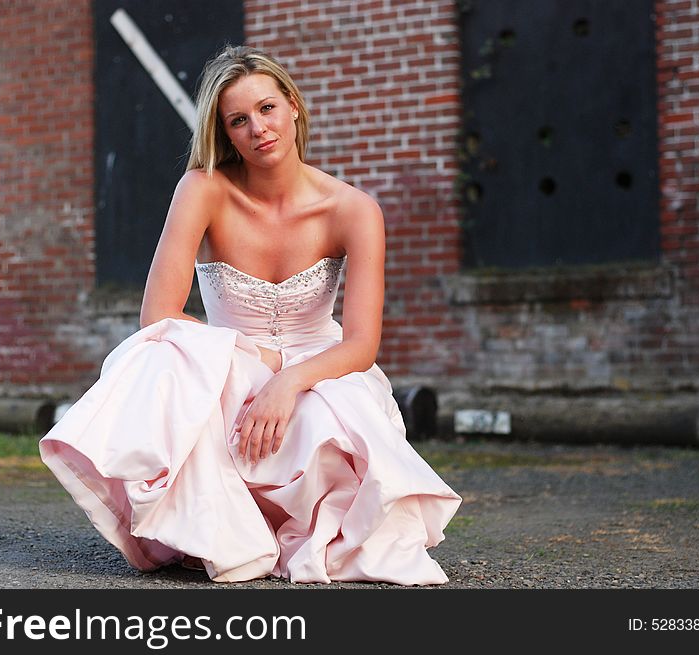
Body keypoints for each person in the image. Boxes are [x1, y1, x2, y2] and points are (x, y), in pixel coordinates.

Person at [39, 45, 461, 585]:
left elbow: (360, 345)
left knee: (331, 433)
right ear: (225, 132)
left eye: (266, 108)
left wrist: (287, 382)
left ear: (293, 106)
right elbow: (158, 315)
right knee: (158, 353)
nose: (258, 128)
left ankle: (292, 528)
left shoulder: (353, 209)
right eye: (238, 120)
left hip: (320, 368)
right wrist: (254, 362)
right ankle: (217, 529)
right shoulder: (203, 189)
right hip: (231, 362)